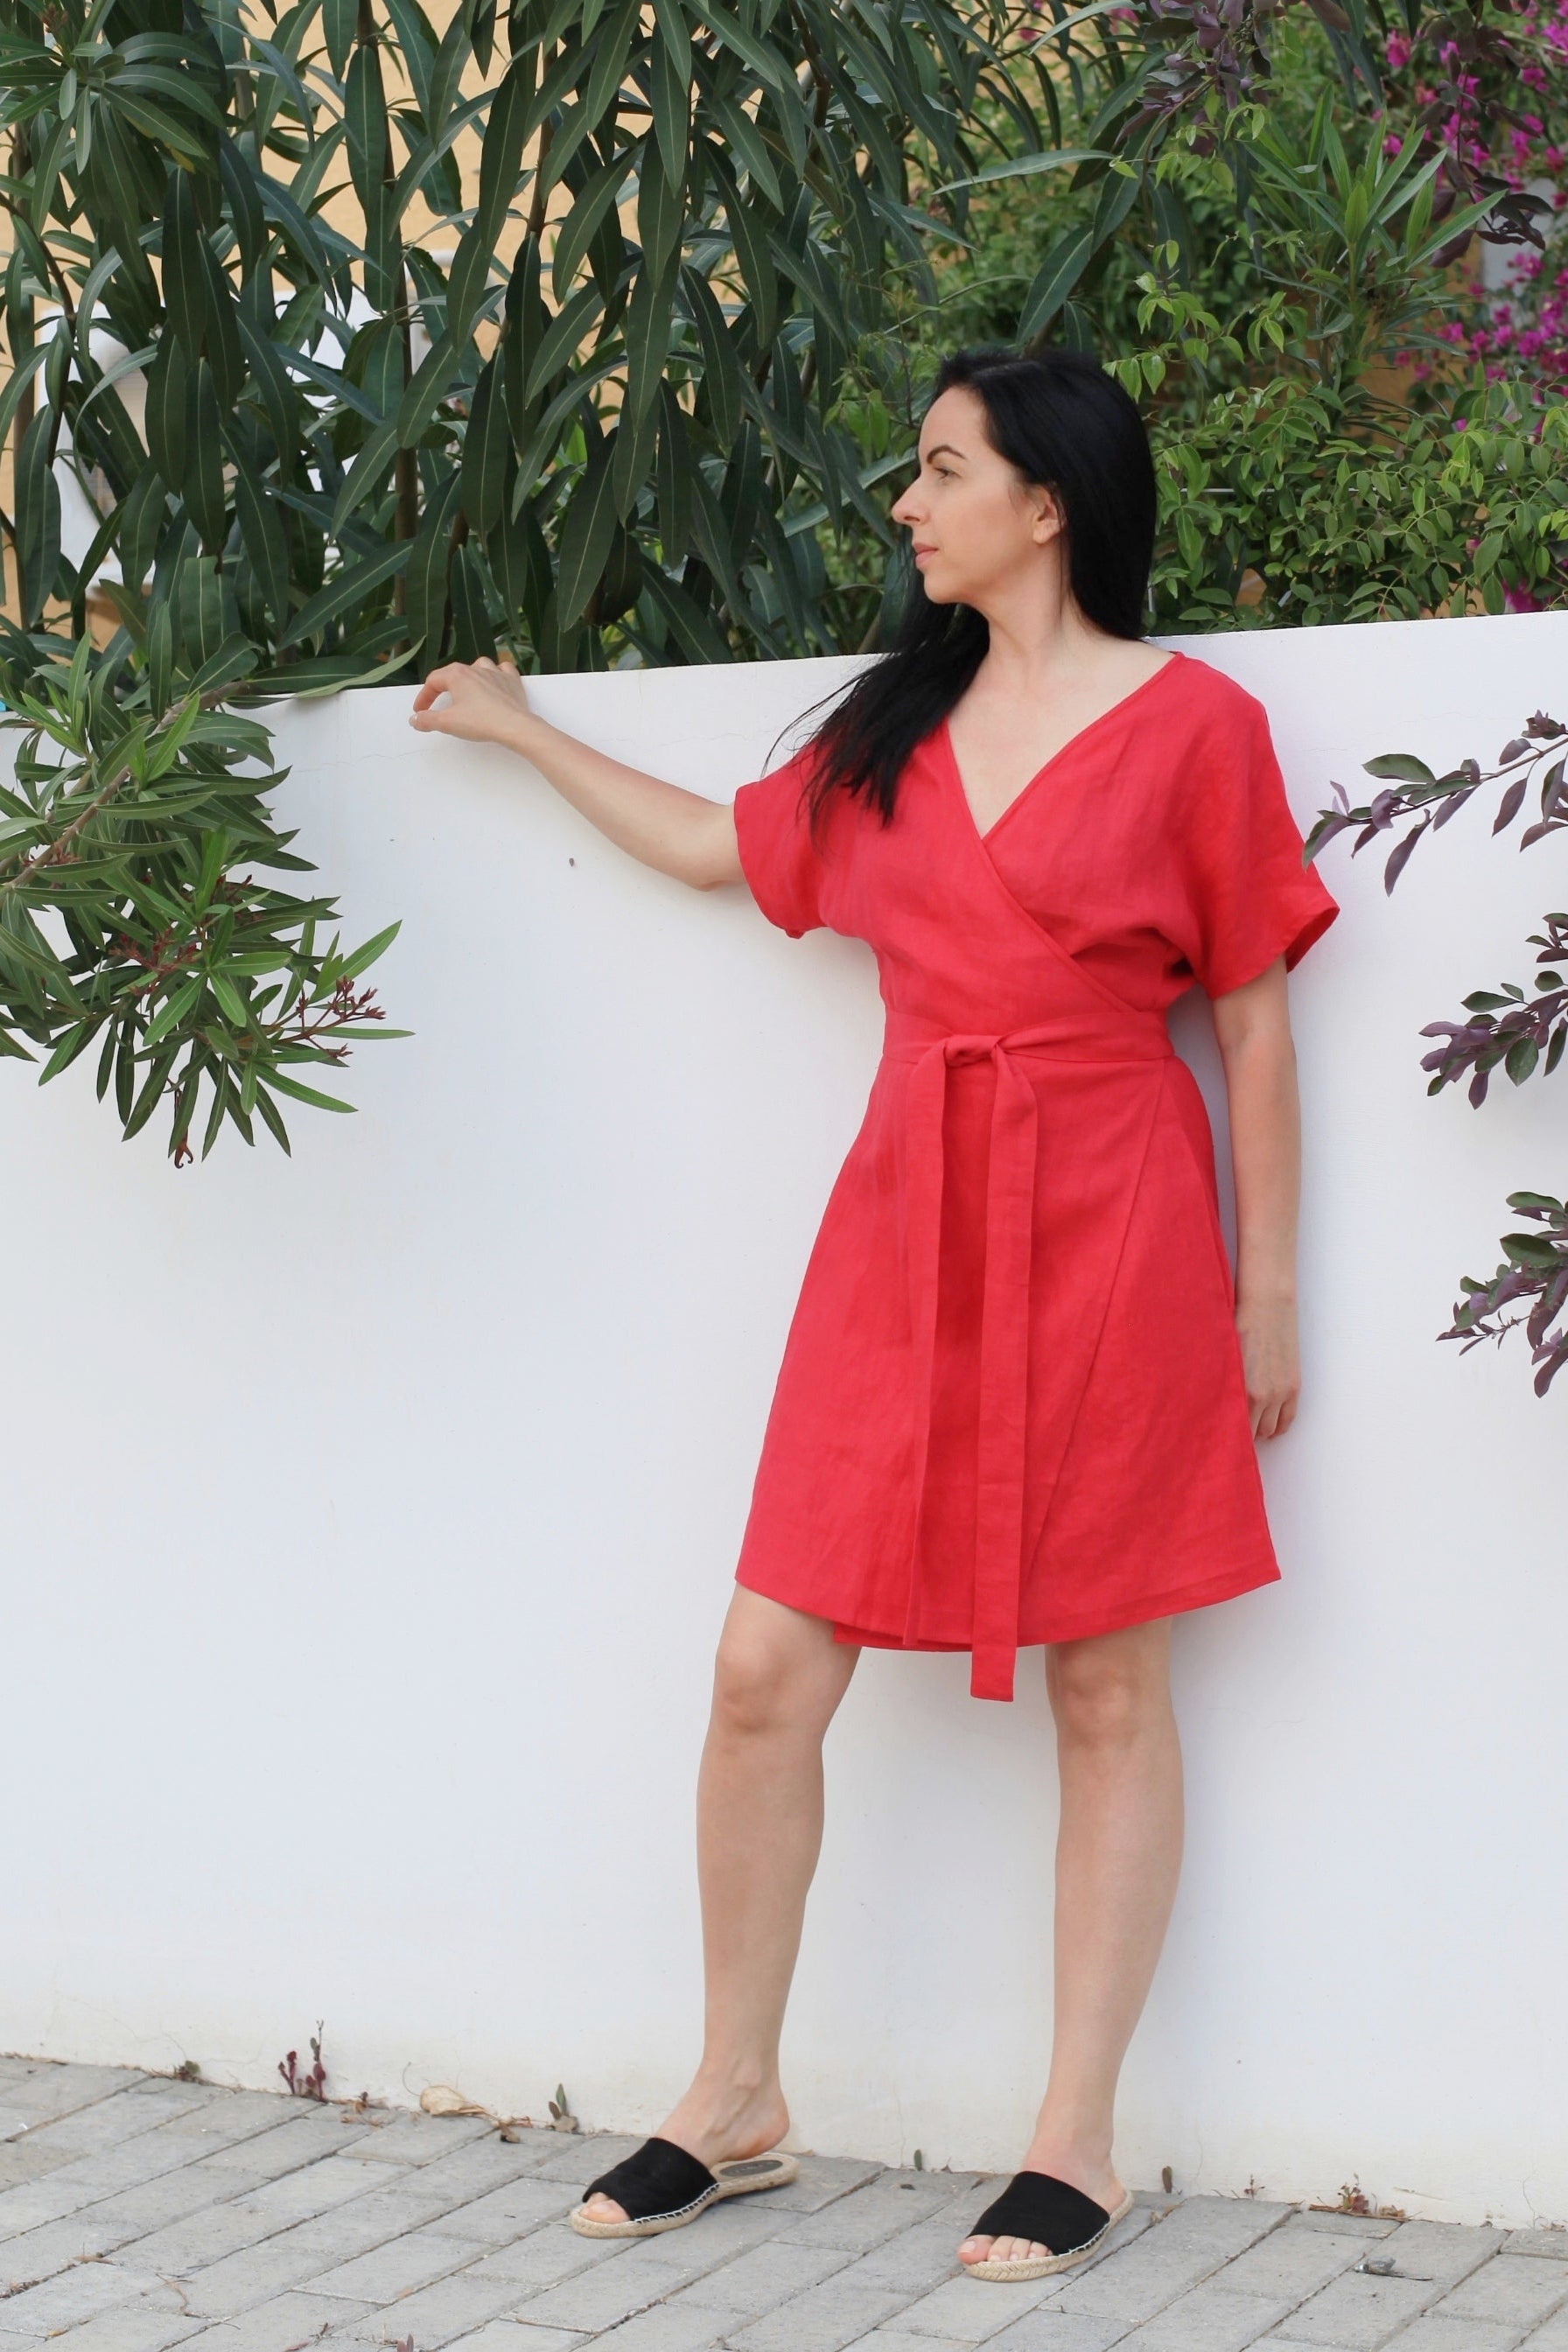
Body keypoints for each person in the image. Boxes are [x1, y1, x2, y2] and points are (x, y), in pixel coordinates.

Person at [408, 344, 1339, 2285]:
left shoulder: (1198, 728)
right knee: (764, 1666)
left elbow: (1247, 1009)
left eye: (937, 471)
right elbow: (708, 844)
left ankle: (1069, 2135)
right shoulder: (889, 739)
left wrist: (1264, 1291)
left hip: (1111, 1226)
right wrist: (513, 726)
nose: (906, 507)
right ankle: (731, 2095)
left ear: (1048, 501)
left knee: (1105, 1681)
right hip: (904, 1223)